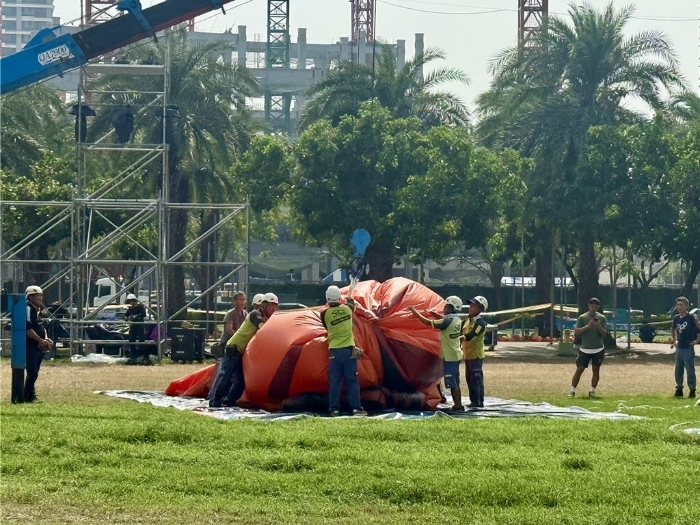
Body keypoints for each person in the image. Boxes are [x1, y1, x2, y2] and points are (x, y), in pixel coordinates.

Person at [208, 292, 279, 407]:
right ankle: (214, 401)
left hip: (240, 352)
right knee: (224, 376)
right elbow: (264, 329)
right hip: (233, 348)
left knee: (240, 382)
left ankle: (229, 401)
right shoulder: (255, 314)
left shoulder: (263, 317)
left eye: (275, 306)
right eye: (272, 306)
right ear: (264, 305)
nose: (274, 309)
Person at [410, 295, 464, 411]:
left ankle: (458, 406)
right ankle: (458, 404)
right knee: (455, 381)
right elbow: (445, 321)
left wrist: (415, 313)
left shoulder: (446, 320)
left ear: (451, 308)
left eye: (446, 306)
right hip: (456, 354)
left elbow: (427, 322)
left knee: (452, 383)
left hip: (449, 357)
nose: (444, 308)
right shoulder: (456, 319)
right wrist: (435, 314)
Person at [321, 285, 367, 416]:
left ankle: (334, 409)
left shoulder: (324, 314)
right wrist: (348, 299)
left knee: (335, 382)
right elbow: (351, 304)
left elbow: (326, 325)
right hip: (348, 351)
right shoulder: (347, 309)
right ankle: (356, 408)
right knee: (351, 380)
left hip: (334, 352)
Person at [569, 297, 608, 398]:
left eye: (596, 307)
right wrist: (589, 326)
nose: (594, 308)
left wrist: (598, 326)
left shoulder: (602, 318)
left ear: (598, 307)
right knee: (579, 369)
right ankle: (572, 391)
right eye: (592, 306)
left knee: (596, 369)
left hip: (598, 349)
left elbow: (604, 334)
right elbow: (576, 332)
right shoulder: (582, 317)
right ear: (588, 305)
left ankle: (592, 391)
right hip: (585, 349)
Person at [24, 286, 53, 403]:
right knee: (32, 371)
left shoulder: (38, 310)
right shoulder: (28, 309)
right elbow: (28, 329)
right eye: (37, 296)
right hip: (30, 345)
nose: (40, 298)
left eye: (41, 296)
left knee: (34, 372)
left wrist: (46, 338)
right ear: (30, 297)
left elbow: (42, 327)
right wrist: (41, 341)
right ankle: (28, 396)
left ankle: (28, 394)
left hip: (38, 345)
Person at [461, 296, 489, 409]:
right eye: (470, 305)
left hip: (476, 355)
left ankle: (478, 401)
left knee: (476, 378)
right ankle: (473, 400)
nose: (470, 307)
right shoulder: (466, 321)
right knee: (469, 378)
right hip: (467, 355)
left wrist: (459, 337)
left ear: (480, 308)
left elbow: (471, 335)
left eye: (474, 306)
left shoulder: (480, 323)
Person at [671, 297, 700, 398]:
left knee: (689, 369)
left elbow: (699, 327)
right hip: (679, 348)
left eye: (681, 305)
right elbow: (673, 329)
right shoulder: (676, 318)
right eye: (678, 305)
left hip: (688, 347)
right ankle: (679, 388)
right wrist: (674, 340)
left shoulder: (691, 317)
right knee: (678, 369)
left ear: (686, 306)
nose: (679, 307)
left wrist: (696, 341)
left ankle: (692, 390)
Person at [125, 293, 148, 364]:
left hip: (139, 325)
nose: (131, 302)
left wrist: (137, 316)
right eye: (130, 301)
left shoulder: (139, 307)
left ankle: (143, 355)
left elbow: (143, 314)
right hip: (133, 326)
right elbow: (126, 315)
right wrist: (127, 317)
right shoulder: (130, 308)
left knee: (141, 339)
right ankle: (133, 354)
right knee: (131, 339)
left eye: (132, 301)